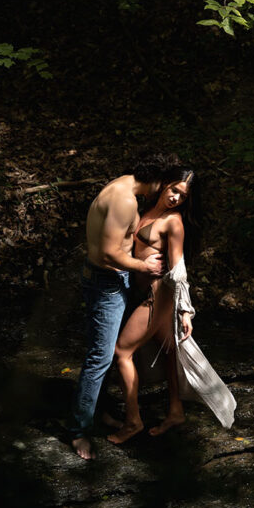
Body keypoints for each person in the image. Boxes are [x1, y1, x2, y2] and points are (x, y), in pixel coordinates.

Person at [107, 168, 236, 444]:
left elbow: (179, 269)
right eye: (174, 190)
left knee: (122, 352)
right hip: (142, 292)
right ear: (164, 185)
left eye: (183, 196)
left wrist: (185, 310)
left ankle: (132, 422)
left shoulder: (174, 222)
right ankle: (176, 411)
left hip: (157, 296)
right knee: (169, 350)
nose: (177, 198)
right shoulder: (147, 210)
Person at [68, 152, 182, 460]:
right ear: (156, 179)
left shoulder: (118, 186)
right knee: (100, 358)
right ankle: (80, 431)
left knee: (103, 354)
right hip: (106, 281)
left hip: (104, 279)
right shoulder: (125, 201)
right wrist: (143, 267)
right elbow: (108, 253)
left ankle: (101, 411)